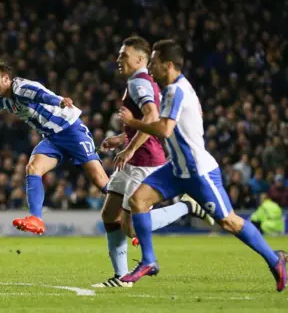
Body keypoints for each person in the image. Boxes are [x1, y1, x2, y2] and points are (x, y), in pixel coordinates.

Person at [117, 39, 286, 292]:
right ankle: (149, 261)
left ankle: (276, 261)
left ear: (169, 65)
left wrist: (134, 122)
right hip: (176, 169)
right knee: (138, 201)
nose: (151, 66)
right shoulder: (175, 88)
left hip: (198, 172)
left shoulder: (175, 91)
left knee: (229, 222)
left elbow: (164, 128)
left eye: (155, 61)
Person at [93, 37, 214, 288]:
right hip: (133, 157)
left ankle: (187, 206)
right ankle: (121, 277)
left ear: (140, 59)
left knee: (131, 228)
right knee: (109, 214)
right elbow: (144, 121)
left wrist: (128, 147)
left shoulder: (139, 82)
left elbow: (152, 115)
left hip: (145, 161)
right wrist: (121, 139)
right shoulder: (137, 82)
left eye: (123, 56)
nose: (118, 60)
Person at [0, 62, 109, 234]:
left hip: (71, 131)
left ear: (6, 78)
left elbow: (42, 95)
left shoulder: (22, 88)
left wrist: (59, 101)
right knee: (33, 168)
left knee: (99, 180)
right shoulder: (6, 100)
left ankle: (135, 212)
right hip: (52, 139)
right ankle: (36, 219)